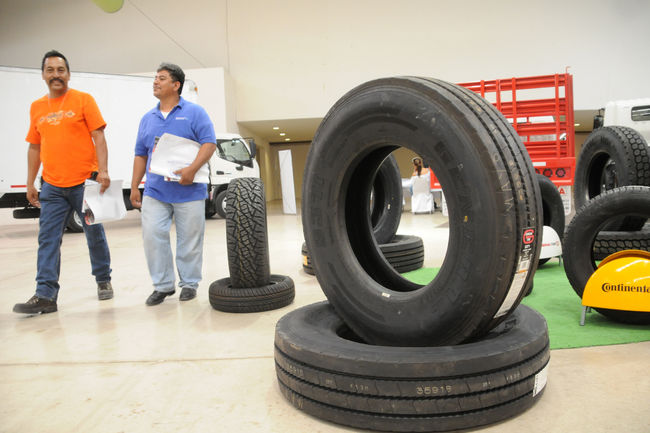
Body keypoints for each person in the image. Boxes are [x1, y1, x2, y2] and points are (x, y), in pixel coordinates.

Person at [13, 50, 114, 314]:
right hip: (52, 186)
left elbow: (99, 137)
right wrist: (30, 183)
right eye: (50, 70)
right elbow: (35, 147)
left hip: (84, 183)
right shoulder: (37, 107)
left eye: (60, 70)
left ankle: (103, 278)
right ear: (43, 75)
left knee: (94, 234)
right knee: (48, 239)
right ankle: (45, 295)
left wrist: (103, 170)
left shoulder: (83, 100)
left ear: (68, 74)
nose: (55, 75)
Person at [130, 63, 216, 306]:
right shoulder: (148, 118)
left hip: (189, 190)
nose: (155, 82)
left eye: (162, 78)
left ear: (176, 85)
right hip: (155, 191)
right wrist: (135, 186)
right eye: (155, 78)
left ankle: (189, 284)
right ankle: (163, 286)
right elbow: (140, 154)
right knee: (152, 235)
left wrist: (192, 169)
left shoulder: (195, 113)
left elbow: (209, 143)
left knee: (189, 240)